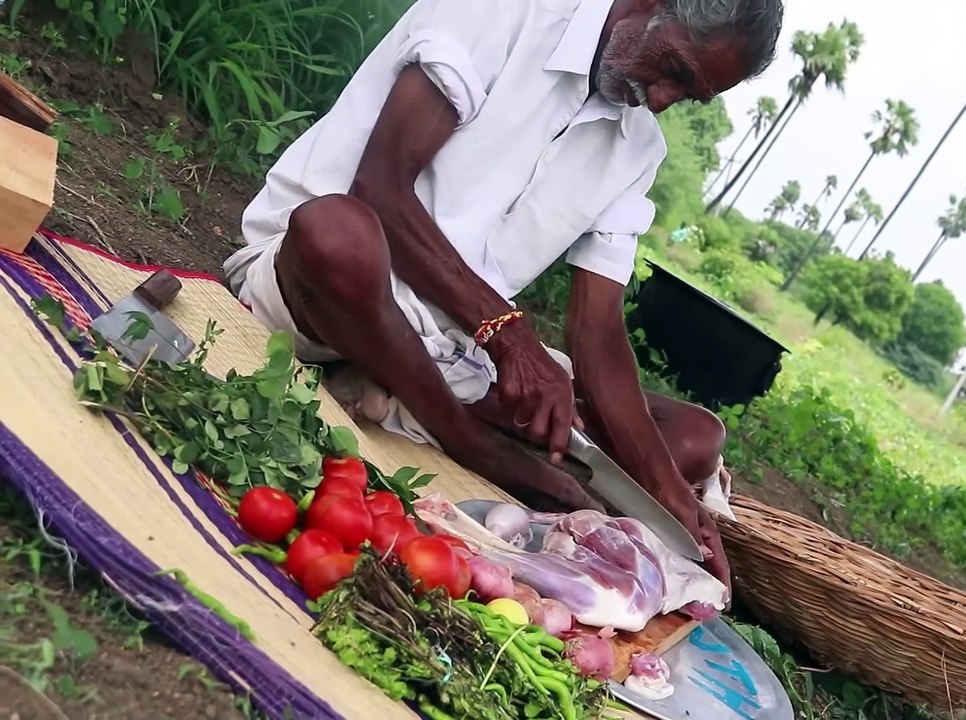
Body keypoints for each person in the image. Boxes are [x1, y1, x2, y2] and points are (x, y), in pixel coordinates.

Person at [222, 0, 784, 591]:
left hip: (453, 353)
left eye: (688, 95)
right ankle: (468, 441)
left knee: (693, 439)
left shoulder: (637, 148)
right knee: (337, 233)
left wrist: (670, 499)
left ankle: (394, 392)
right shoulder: (506, 11)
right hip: (319, 292)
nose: (663, 99)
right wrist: (509, 337)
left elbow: (596, 332)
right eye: (674, 69)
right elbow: (380, 189)